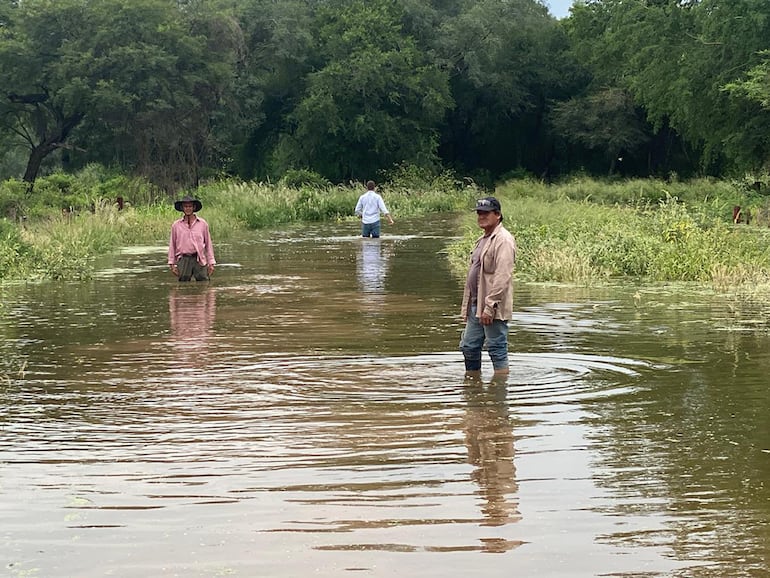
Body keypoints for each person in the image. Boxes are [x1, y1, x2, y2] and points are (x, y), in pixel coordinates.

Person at [459, 197, 517, 375]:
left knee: (496, 348)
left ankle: (498, 393)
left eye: (486, 213)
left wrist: (490, 305)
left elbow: (503, 275)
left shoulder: (503, 240)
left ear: (498, 215)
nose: (481, 216)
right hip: (476, 304)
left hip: (492, 305)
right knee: (469, 346)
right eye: (479, 213)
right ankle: (473, 385)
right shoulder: (483, 239)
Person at [168, 195, 216, 282]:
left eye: (190, 206)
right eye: (186, 206)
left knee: (204, 284)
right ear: (182, 208)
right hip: (183, 259)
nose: (188, 208)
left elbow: (208, 244)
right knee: (183, 285)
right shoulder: (176, 225)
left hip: (199, 259)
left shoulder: (202, 224)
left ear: (194, 207)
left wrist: (211, 263)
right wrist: (172, 264)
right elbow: (172, 245)